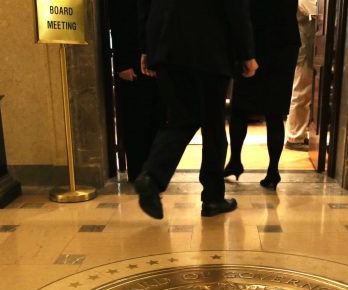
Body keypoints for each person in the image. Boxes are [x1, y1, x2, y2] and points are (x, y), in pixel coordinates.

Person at [134, 0, 258, 220]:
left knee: (180, 118)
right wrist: (246, 53)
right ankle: (212, 198)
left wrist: (146, 47)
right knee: (214, 126)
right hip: (210, 46)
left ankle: (152, 177)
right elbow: (235, 6)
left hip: (166, 43)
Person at [224, 0, 301, 190]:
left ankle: (235, 161)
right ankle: (273, 171)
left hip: (255, 41)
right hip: (284, 42)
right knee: (274, 112)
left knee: (240, 107)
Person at [108, 0, 164, 182]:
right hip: (132, 60)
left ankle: (154, 171)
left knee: (157, 117)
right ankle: (139, 171)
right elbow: (118, 21)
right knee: (136, 120)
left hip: (157, 59)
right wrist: (122, 63)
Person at [285, 0, 317, 151]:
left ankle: (299, 134)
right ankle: (295, 136)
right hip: (305, 46)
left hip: (311, 45)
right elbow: (314, 10)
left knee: (306, 91)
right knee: (301, 90)